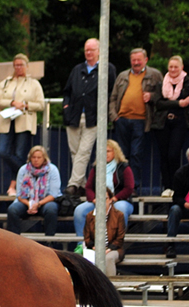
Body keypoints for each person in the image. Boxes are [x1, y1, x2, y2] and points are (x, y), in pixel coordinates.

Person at [62, 38, 117, 198]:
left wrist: (105, 111)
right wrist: (66, 107)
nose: (88, 53)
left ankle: (72, 185)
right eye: (86, 50)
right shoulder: (77, 69)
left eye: (92, 50)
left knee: (84, 151)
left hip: (94, 118)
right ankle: (81, 185)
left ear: (99, 50)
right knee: (75, 152)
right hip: (74, 115)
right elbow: (67, 91)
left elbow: (111, 92)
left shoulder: (107, 68)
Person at [109, 48, 163, 190]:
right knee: (121, 156)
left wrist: (151, 96)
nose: (136, 62)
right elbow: (113, 98)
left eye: (139, 60)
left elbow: (163, 95)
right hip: (122, 120)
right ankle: (120, 186)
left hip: (141, 121)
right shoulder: (122, 75)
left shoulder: (155, 75)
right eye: (134, 60)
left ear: (146, 60)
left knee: (136, 154)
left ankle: (133, 186)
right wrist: (114, 117)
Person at [0, 53, 44, 196]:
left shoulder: (34, 83)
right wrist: (12, 103)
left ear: (27, 66)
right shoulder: (6, 82)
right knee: (3, 151)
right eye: (16, 65)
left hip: (23, 121)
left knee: (19, 153)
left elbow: (40, 104)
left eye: (21, 65)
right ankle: (29, 172)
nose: (18, 68)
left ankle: (13, 187)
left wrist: (25, 105)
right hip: (6, 121)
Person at [152, 56, 189, 196]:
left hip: (180, 122)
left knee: (174, 154)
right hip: (163, 122)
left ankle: (176, 185)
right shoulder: (162, 83)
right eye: (170, 67)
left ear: (181, 67)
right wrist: (178, 103)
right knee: (164, 155)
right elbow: (158, 103)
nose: (173, 69)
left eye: (175, 67)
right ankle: (167, 186)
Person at [73, 139, 135, 239]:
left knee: (120, 209)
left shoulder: (124, 167)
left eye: (108, 151)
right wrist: (94, 199)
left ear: (115, 152)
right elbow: (88, 187)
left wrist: (114, 199)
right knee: (80, 210)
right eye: (103, 151)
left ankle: (115, 244)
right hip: (98, 201)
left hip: (119, 200)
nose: (105, 154)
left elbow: (129, 188)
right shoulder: (96, 168)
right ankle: (82, 244)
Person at [6, 145, 61, 237]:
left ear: (44, 158)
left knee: (51, 209)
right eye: (33, 157)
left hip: (46, 201)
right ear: (30, 158)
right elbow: (19, 194)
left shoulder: (52, 170)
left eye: (39, 157)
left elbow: (53, 195)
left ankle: (49, 241)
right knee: (12, 209)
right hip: (26, 201)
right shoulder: (23, 170)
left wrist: (38, 204)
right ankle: (14, 240)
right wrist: (29, 204)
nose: (36, 160)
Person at [83, 187, 126, 276]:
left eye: (105, 198)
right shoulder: (90, 216)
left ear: (110, 200)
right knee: (85, 259)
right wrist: (94, 247)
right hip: (95, 249)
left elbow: (120, 238)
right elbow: (87, 238)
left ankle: (110, 286)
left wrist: (108, 249)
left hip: (114, 249)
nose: (102, 201)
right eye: (99, 198)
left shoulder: (119, 215)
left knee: (108, 258)